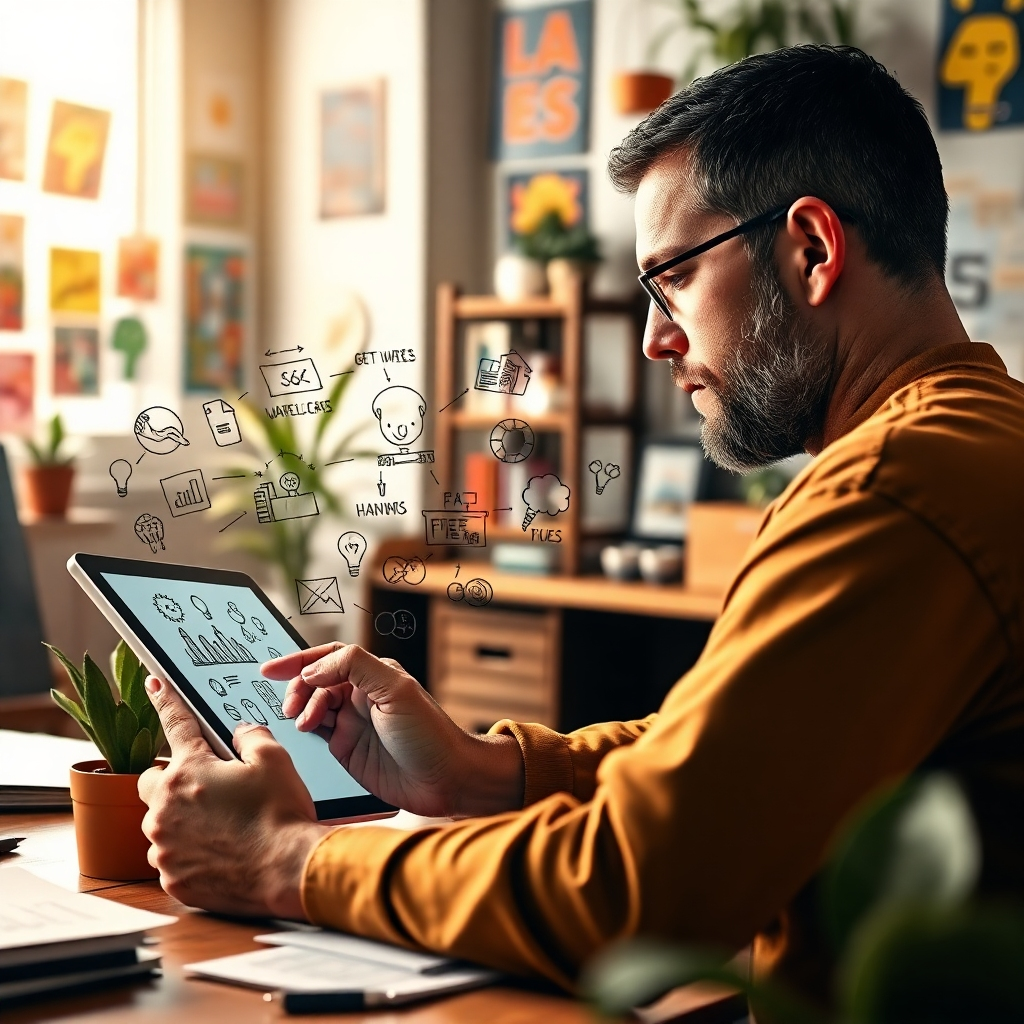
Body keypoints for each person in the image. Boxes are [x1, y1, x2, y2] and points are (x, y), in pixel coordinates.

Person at [139, 45, 1024, 1011]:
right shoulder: (974, 446)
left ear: (810, 249)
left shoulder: (894, 491)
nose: (653, 339)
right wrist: (489, 772)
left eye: (671, 279)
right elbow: (737, 756)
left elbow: (639, 887)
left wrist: (284, 858)